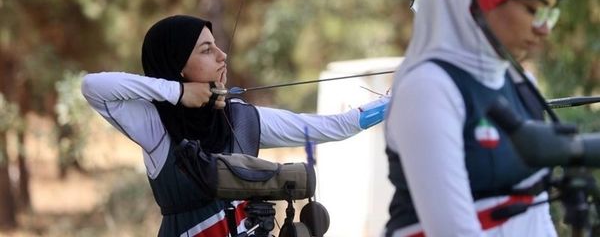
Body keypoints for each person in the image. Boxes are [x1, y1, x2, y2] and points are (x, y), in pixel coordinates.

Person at [81, 14, 389, 237]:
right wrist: (178, 93)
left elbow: (332, 126)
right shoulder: (155, 124)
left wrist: (395, 99)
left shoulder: (241, 119)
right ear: (177, 67)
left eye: (216, 46)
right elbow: (93, 86)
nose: (221, 55)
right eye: (205, 50)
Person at [384, 0, 583, 236]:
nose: (544, 29)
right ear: (479, 3)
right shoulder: (427, 89)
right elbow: (454, 231)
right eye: (532, 10)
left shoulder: (520, 82)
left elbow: (539, 209)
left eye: (549, 14)